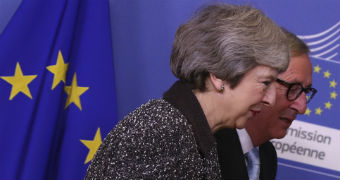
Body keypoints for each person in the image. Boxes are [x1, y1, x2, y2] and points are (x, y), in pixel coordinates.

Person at [85, 4, 289, 179]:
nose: (270, 99)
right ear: (220, 76)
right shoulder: (161, 133)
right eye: (265, 83)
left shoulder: (195, 136)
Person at [215, 28, 317, 179]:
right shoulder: (204, 144)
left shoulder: (266, 157)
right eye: (293, 89)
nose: (302, 108)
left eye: (305, 92)